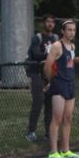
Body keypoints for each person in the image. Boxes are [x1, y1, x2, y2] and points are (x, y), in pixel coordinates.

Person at [43, 19, 79, 158]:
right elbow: (47, 66)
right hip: (59, 84)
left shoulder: (73, 46)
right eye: (69, 30)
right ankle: (53, 151)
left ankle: (66, 149)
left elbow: (70, 63)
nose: (71, 33)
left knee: (68, 118)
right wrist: (50, 81)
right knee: (57, 118)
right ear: (63, 31)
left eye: (73, 30)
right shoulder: (57, 46)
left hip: (70, 84)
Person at [26, 14, 58, 142]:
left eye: (52, 22)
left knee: (49, 104)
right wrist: (50, 55)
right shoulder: (37, 38)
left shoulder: (55, 38)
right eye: (48, 21)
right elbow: (36, 54)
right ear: (43, 23)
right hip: (37, 73)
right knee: (38, 102)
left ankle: (48, 132)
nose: (50, 24)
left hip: (50, 74)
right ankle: (31, 131)